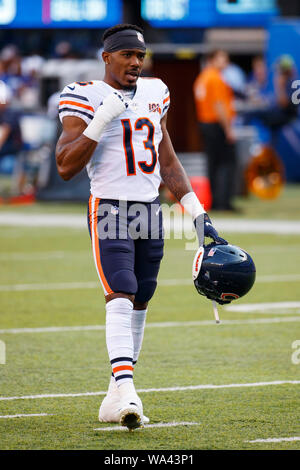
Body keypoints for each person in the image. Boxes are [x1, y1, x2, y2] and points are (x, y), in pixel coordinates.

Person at [55, 24, 225, 430]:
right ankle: (128, 389)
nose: (135, 62)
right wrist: (101, 120)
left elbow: (167, 161)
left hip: (150, 209)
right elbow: (64, 166)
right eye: (127, 54)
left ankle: (117, 395)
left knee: (142, 297)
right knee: (121, 289)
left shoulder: (156, 92)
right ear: (107, 57)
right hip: (110, 205)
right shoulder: (84, 95)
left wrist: (199, 216)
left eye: (140, 55)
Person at [193, 50, 237, 211]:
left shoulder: (202, 78)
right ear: (212, 59)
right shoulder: (215, 78)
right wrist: (228, 129)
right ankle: (223, 202)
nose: (226, 61)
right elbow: (219, 105)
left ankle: (215, 200)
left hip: (205, 124)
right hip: (217, 125)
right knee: (226, 163)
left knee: (212, 164)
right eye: (222, 58)